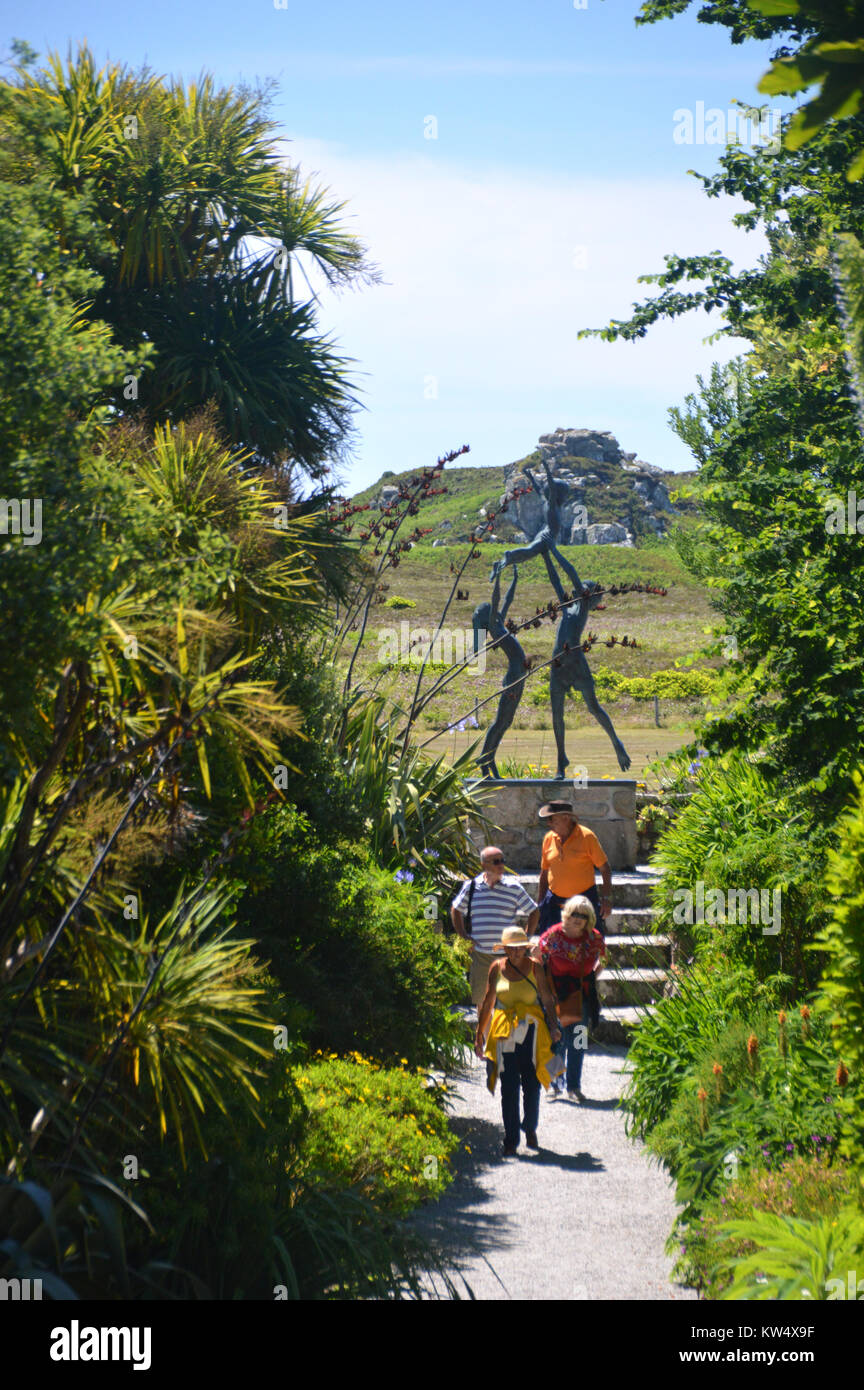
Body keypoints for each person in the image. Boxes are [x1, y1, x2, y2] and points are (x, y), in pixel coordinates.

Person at [475, 924, 561, 1155]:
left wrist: (553, 1025)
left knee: (532, 1085)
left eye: (520, 948)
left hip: (531, 1032)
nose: (515, 953)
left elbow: (546, 998)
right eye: (511, 949)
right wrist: (478, 1036)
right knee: (509, 1086)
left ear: (525, 948)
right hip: (504, 1033)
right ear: (504, 949)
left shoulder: (535, 968)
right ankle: (511, 1139)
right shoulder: (496, 968)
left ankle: (530, 1127)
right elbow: (488, 1002)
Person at [536, 800, 612, 1030]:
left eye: (552, 818)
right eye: (548, 819)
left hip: (583, 902)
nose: (548, 822)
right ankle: (550, 1000)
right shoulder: (549, 838)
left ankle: (585, 998)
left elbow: (605, 868)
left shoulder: (587, 836)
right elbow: (543, 872)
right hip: (554, 901)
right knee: (549, 950)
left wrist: (607, 898)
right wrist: (540, 903)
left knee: (587, 947)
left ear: (567, 818)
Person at [535, 895, 607, 1101]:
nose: (578, 918)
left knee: (578, 1040)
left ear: (589, 918)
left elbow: (604, 959)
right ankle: (556, 1083)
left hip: (580, 994)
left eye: (583, 915)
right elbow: (537, 956)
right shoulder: (553, 935)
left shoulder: (593, 938)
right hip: (556, 993)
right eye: (574, 913)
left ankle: (573, 1086)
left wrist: (592, 977)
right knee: (558, 1039)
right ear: (567, 913)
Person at [451, 846, 539, 1009]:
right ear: (484, 864)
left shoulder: (513, 887)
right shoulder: (472, 887)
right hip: (481, 955)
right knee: (483, 1004)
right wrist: (463, 936)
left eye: (503, 861)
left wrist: (526, 939)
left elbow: (533, 911)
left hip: (509, 957)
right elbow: (456, 910)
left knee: (509, 1002)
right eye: (496, 862)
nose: (501, 865)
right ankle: (483, 1034)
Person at [471, 567, 529, 779]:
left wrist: (515, 578)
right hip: (514, 675)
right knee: (500, 720)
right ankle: (485, 761)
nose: (494, 608)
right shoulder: (494, 628)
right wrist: (498, 576)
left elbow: (507, 599)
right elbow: (497, 598)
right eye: (490, 609)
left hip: (519, 674)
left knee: (506, 722)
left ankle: (490, 759)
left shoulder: (499, 622)